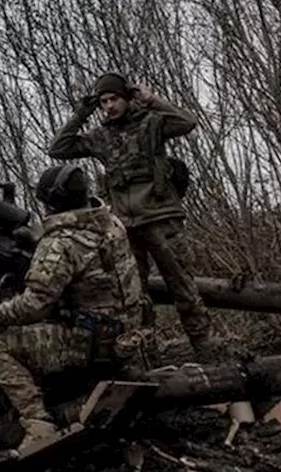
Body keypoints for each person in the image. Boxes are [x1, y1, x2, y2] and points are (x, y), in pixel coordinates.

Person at [0, 164, 144, 454]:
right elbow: (85, 251)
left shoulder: (60, 243)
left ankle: (37, 424)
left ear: (53, 202)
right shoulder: (112, 223)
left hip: (93, 344)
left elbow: (33, 305)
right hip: (129, 334)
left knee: (0, 347)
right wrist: (39, 240)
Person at [45, 72, 215, 359]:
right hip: (126, 226)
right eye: (103, 101)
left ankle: (208, 353)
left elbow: (188, 122)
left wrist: (151, 100)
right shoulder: (101, 137)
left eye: (114, 99)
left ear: (126, 98)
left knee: (183, 290)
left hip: (161, 218)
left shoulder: (150, 123)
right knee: (135, 298)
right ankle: (149, 357)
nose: (109, 106)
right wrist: (82, 113)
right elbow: (58, 148)